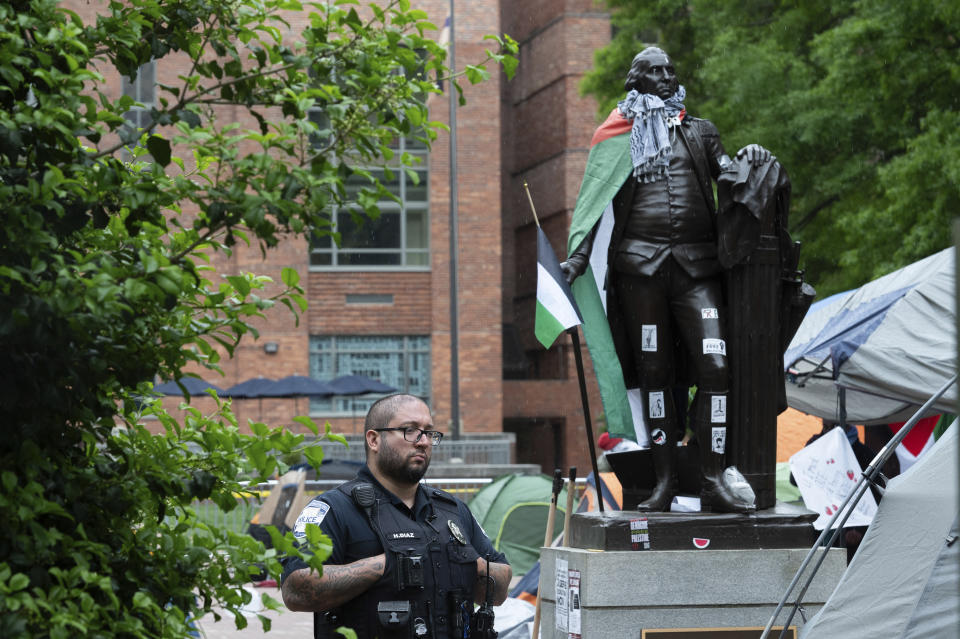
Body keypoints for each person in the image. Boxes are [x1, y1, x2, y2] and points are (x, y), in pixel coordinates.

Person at [561, 47, 770, 513]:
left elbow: (731, 179)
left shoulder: (700, 131)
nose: (664, 76)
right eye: (653, 70)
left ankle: (713, 477)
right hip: (642, 272)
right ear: (635, 80)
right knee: (655, 375)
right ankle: (664, 481)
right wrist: (577, 256)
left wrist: (751, 160)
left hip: (697, 268)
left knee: (716, 370)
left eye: (668, 70)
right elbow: (595, 200)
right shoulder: (616, 137)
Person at [281, 394, 511, 638]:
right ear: (374, 440)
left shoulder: (452, 510)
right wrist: (387, 565)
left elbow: (500, 586)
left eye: (429, 432)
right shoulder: (334, 509)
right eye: (410, 430)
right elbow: (295, 590)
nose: (423, 441)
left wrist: (460, 561)